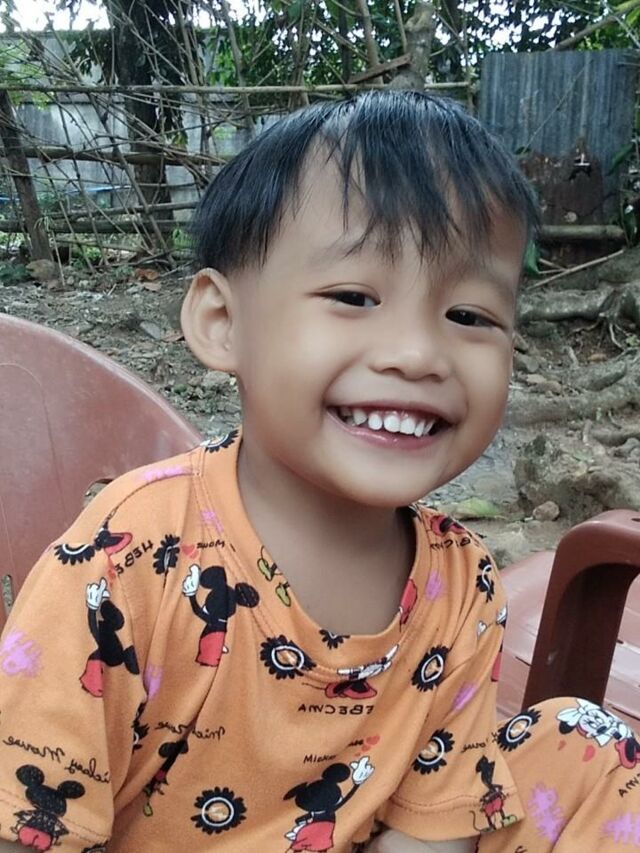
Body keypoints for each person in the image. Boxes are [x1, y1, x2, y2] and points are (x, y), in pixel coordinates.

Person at [0, 91, 636, 853]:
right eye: (353, 296)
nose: (418, 354)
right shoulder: (127, 559)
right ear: (223, 323)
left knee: (583, 745)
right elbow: (31, 824)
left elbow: (427, 830)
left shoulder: (461, 584)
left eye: (468, 315)